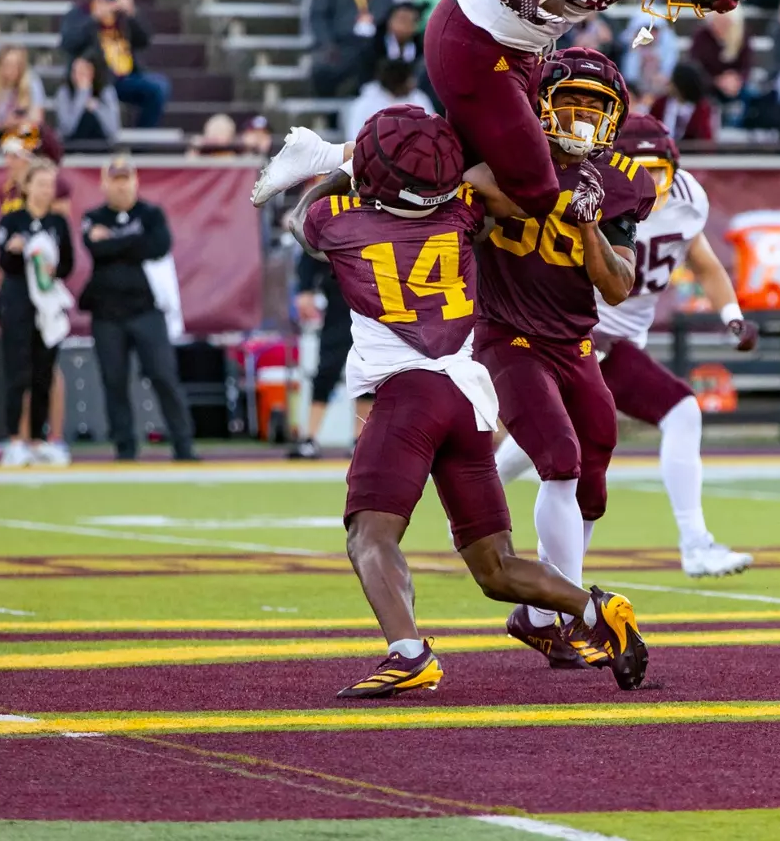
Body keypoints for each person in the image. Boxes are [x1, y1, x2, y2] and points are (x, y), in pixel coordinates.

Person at [289, 108, 646, 698]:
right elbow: (508, 197)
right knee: (496, 567)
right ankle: (593, 608)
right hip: (466, 394)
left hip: (408, 392)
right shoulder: (463, 212)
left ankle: (408, 653)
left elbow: (302, 221)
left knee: (369, 535)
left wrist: (339, 161)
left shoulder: (341, 222)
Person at [252, 0, 767, 224]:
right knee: (537, 192)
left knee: (458, 155)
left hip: (515, 46)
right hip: (478, 39)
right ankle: (425, 232)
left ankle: (321, 155)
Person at [462, 50, 656, 679]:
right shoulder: (511, 154)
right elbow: (475, 181)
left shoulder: (618, 180)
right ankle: (574, 615)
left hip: (573, 341)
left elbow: (619, 287)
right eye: (570, 100)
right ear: (541, 104)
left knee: (595, 466)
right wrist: (547, 197)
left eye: (595, 106)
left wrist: (590, 224)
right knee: (561, 459)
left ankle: (539, 618)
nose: (580, 114)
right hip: (507, 334)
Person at [497, 115, 756, 577]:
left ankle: (481, 495)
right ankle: (693, 544)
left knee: (556, 443)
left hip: (619, 339)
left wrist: (732, 317)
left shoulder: (686, 199)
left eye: (658, 172)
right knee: (672, 414)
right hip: (577, 333)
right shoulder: (590, 192)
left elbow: (704, 263)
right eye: (638, 171)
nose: (648, 186)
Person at [79, 155, 197, 462]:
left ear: (135, 181)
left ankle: (183, 445)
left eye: (126, 179)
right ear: (104, 184)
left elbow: (158, 246)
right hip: (106, 314)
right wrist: (131, 242)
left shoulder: (151, 214)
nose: (121, 186)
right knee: (114, 380)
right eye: (115, 180)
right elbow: (95, 248)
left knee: (163, 375)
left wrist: (115, 242)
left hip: (146, 310)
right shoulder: (93, 216)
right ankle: (125, 447)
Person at [0, 159, 75, 468]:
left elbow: (68, 265)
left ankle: (40, 440)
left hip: (48, 307)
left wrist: (54, 269)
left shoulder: (58, 223)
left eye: (49, 185)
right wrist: (14, 250)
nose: (45, 191)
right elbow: (5, 263)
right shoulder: (11, 220)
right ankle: (14, 438)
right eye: (40, 184)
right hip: (18, 302)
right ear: (26, 187)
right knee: (18, 372)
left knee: (44, 371)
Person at [58, 0, 172, 128]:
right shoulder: (80, 12)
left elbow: (145, 40)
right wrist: (94, 19)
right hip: (95, 78)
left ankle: (141, 143)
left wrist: (133, 14)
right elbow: (68, 43)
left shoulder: (124, 16)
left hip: (124, 77)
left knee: (159, 87)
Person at [290, 231, 351, 459]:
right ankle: (310, 437)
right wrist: (305, 289)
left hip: (374, 298)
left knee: (371, 372)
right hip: (339, 296)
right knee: (327, 368)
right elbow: (310, 244)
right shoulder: (334, 204)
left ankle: (360, 438)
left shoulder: (382, 205)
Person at [310, 0, 397, 98]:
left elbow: (390, 23)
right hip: (341, 46)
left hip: (374, 49)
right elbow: (318, 16)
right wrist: (327, 44)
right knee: (322, 70)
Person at [343, 58, 433, 139]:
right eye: (409, 80)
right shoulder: (364, 105)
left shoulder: (418, 98)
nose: (413, 83)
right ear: (397, 82)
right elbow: (355, 139)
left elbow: (431, 130)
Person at [55, 53, 121, 146]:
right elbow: (67, 129)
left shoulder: (106, 91)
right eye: (75, 72)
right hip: (72, 145)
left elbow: (113, 130)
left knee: (90, 118)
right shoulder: (64, 92)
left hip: (101, 145)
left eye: (83, 72)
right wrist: (82, 94)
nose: (78, 76)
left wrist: (97, 108)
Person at [649, 61, 716, 141]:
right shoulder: (660, 104)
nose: (669, 84)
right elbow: (649, 130)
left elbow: (705, 140)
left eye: (673, 81)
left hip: (690, 152)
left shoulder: (702, 108)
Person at [0, 46, 46, 130]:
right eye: (6, 64)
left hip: (24, 134)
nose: (11, 69)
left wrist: (18, 122)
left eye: (15, 64)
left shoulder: (32, 82)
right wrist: (4, 124)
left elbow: (38, 119)